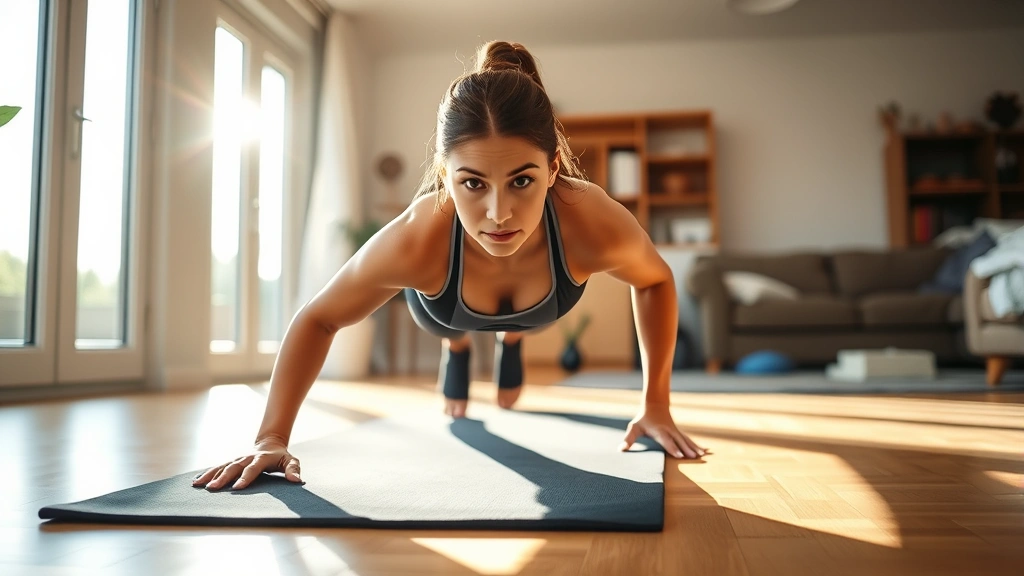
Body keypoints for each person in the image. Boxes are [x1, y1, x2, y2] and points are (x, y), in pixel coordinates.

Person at [193, 41, 706, 492]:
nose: (498, 212)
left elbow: (656, 279)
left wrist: (656, 403)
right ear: (445, 175)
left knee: (520, 327)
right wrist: (271, 437)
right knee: (452, 329)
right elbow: (319, 317)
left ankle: (511, 339)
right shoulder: (419, 236)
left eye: (522, 181)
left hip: (539, 309)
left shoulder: (587, 217)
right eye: (473, 183)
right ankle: (458, 350)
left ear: (553, 170)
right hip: (446, 312)